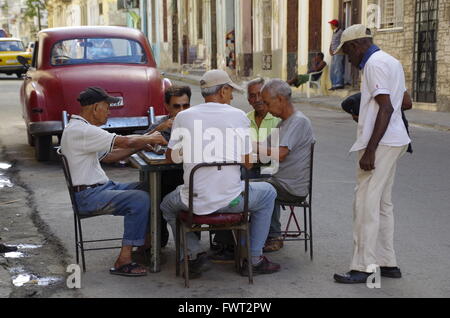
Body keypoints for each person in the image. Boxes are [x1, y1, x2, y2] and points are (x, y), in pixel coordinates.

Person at [160, 70, 280, 278]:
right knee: (268, 192)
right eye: (230, 91)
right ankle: (253, 259)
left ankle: (193, 252)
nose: (232, 96)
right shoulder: (239, 116)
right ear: (223, 91)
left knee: (166, 205)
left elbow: (170, 158)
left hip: (192, 203)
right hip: (231, 201)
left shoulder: (183, 117)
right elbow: (248, 164)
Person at [332, 25, 411, 284]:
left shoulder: (374, 64)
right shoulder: (391, 61)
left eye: (348, 54)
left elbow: (386, 108)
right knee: (382, 203)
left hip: (382, 142)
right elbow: (405, 102)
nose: (350, 61)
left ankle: (363, 267)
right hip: (395, 140)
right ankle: (387, 262)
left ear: (356, 46)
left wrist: (370, 149)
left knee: (365, 203)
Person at [60, 87, 167, 277]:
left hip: (99, 188)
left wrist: (142, 143)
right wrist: (154, 133)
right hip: (88, 196)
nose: (109, 112)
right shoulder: (82, 130)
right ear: (95, 108)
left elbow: (110, 157)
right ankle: (123, 260)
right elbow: (125, 142)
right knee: (139, 199)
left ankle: (145, 244)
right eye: (107, 107)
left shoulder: (81, 129)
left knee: (150, 188)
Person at [211, 77, 281, 262]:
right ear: (248, 100)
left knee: (267, 182)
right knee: (227, 178)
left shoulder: (278, 119)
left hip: (271, 168)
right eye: (252, 96)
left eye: (260, 94)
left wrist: (253, 147)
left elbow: (279, 152)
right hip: (247, 167)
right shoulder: (243, 118)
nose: (257, 99)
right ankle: (226, 238)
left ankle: (273, 234)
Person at [258, 79, 315, 252]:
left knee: (249, 189)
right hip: (278, 180)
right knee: (244, 177)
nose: (266, 109)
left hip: (290, 187)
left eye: (267, 103)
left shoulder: (298, 121)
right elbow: (263, 151)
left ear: (281, 99)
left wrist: (252, 146)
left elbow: (280, 154)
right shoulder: (283, 124)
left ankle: (269, 237)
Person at [341, 91, 413, 153]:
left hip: (388, 141)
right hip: (401, 138)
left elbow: (406, 104)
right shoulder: (397, 79)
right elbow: (408, 104)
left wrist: (370, 151)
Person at [329, 19, 345, 90]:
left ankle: (339, 83)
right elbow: (332, 42)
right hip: (333, 53)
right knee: (333, 69)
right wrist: (330, 49)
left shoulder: (340, 32)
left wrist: (336, 50)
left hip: (338, 53)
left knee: (338, 68)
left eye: (331, 25)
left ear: (334, 25)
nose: (330, 26)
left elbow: (342, 42)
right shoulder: (334, 32)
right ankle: (334, 84)